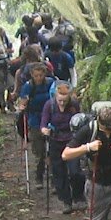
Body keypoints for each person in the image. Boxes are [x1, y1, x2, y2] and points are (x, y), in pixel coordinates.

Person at [41, 79, 84, 213]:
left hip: (71, 141)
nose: (62, 103)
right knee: (59, 173)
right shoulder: (49, 105)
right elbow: (43, 124)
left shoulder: (74, 105)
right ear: (55, 96)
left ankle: (78, 196)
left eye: (64, 100)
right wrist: (45, 130)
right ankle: (66, 201)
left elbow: (80, 121)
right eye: (60, 100)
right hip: (55, 140)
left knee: (75, 171)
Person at [15, 62, 57, 188]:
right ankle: (39, 176)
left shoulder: (51, 83)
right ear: (32, 75)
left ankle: (54, 180)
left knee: (53, 151)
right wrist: (23, 106)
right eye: (36, 75)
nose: (38, 78)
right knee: (40, 152)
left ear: (44, 74)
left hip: (50, 119)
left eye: (41, 75)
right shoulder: (28, 87)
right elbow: (22, 102)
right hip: (35, 120)